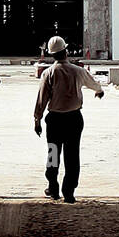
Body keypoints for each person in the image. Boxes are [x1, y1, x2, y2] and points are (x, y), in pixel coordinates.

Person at [33, 35, 104, 203]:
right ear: (66, 51)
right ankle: (69, 192)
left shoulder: (48, 73)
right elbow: (94, 84)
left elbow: (41, 100)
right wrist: (99, 91)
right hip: (74, 119)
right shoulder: (78, 71)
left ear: (52, 55)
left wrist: (37, 120)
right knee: (72, 156)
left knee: (53, 153)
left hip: (55, 120)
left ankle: (53, 187)